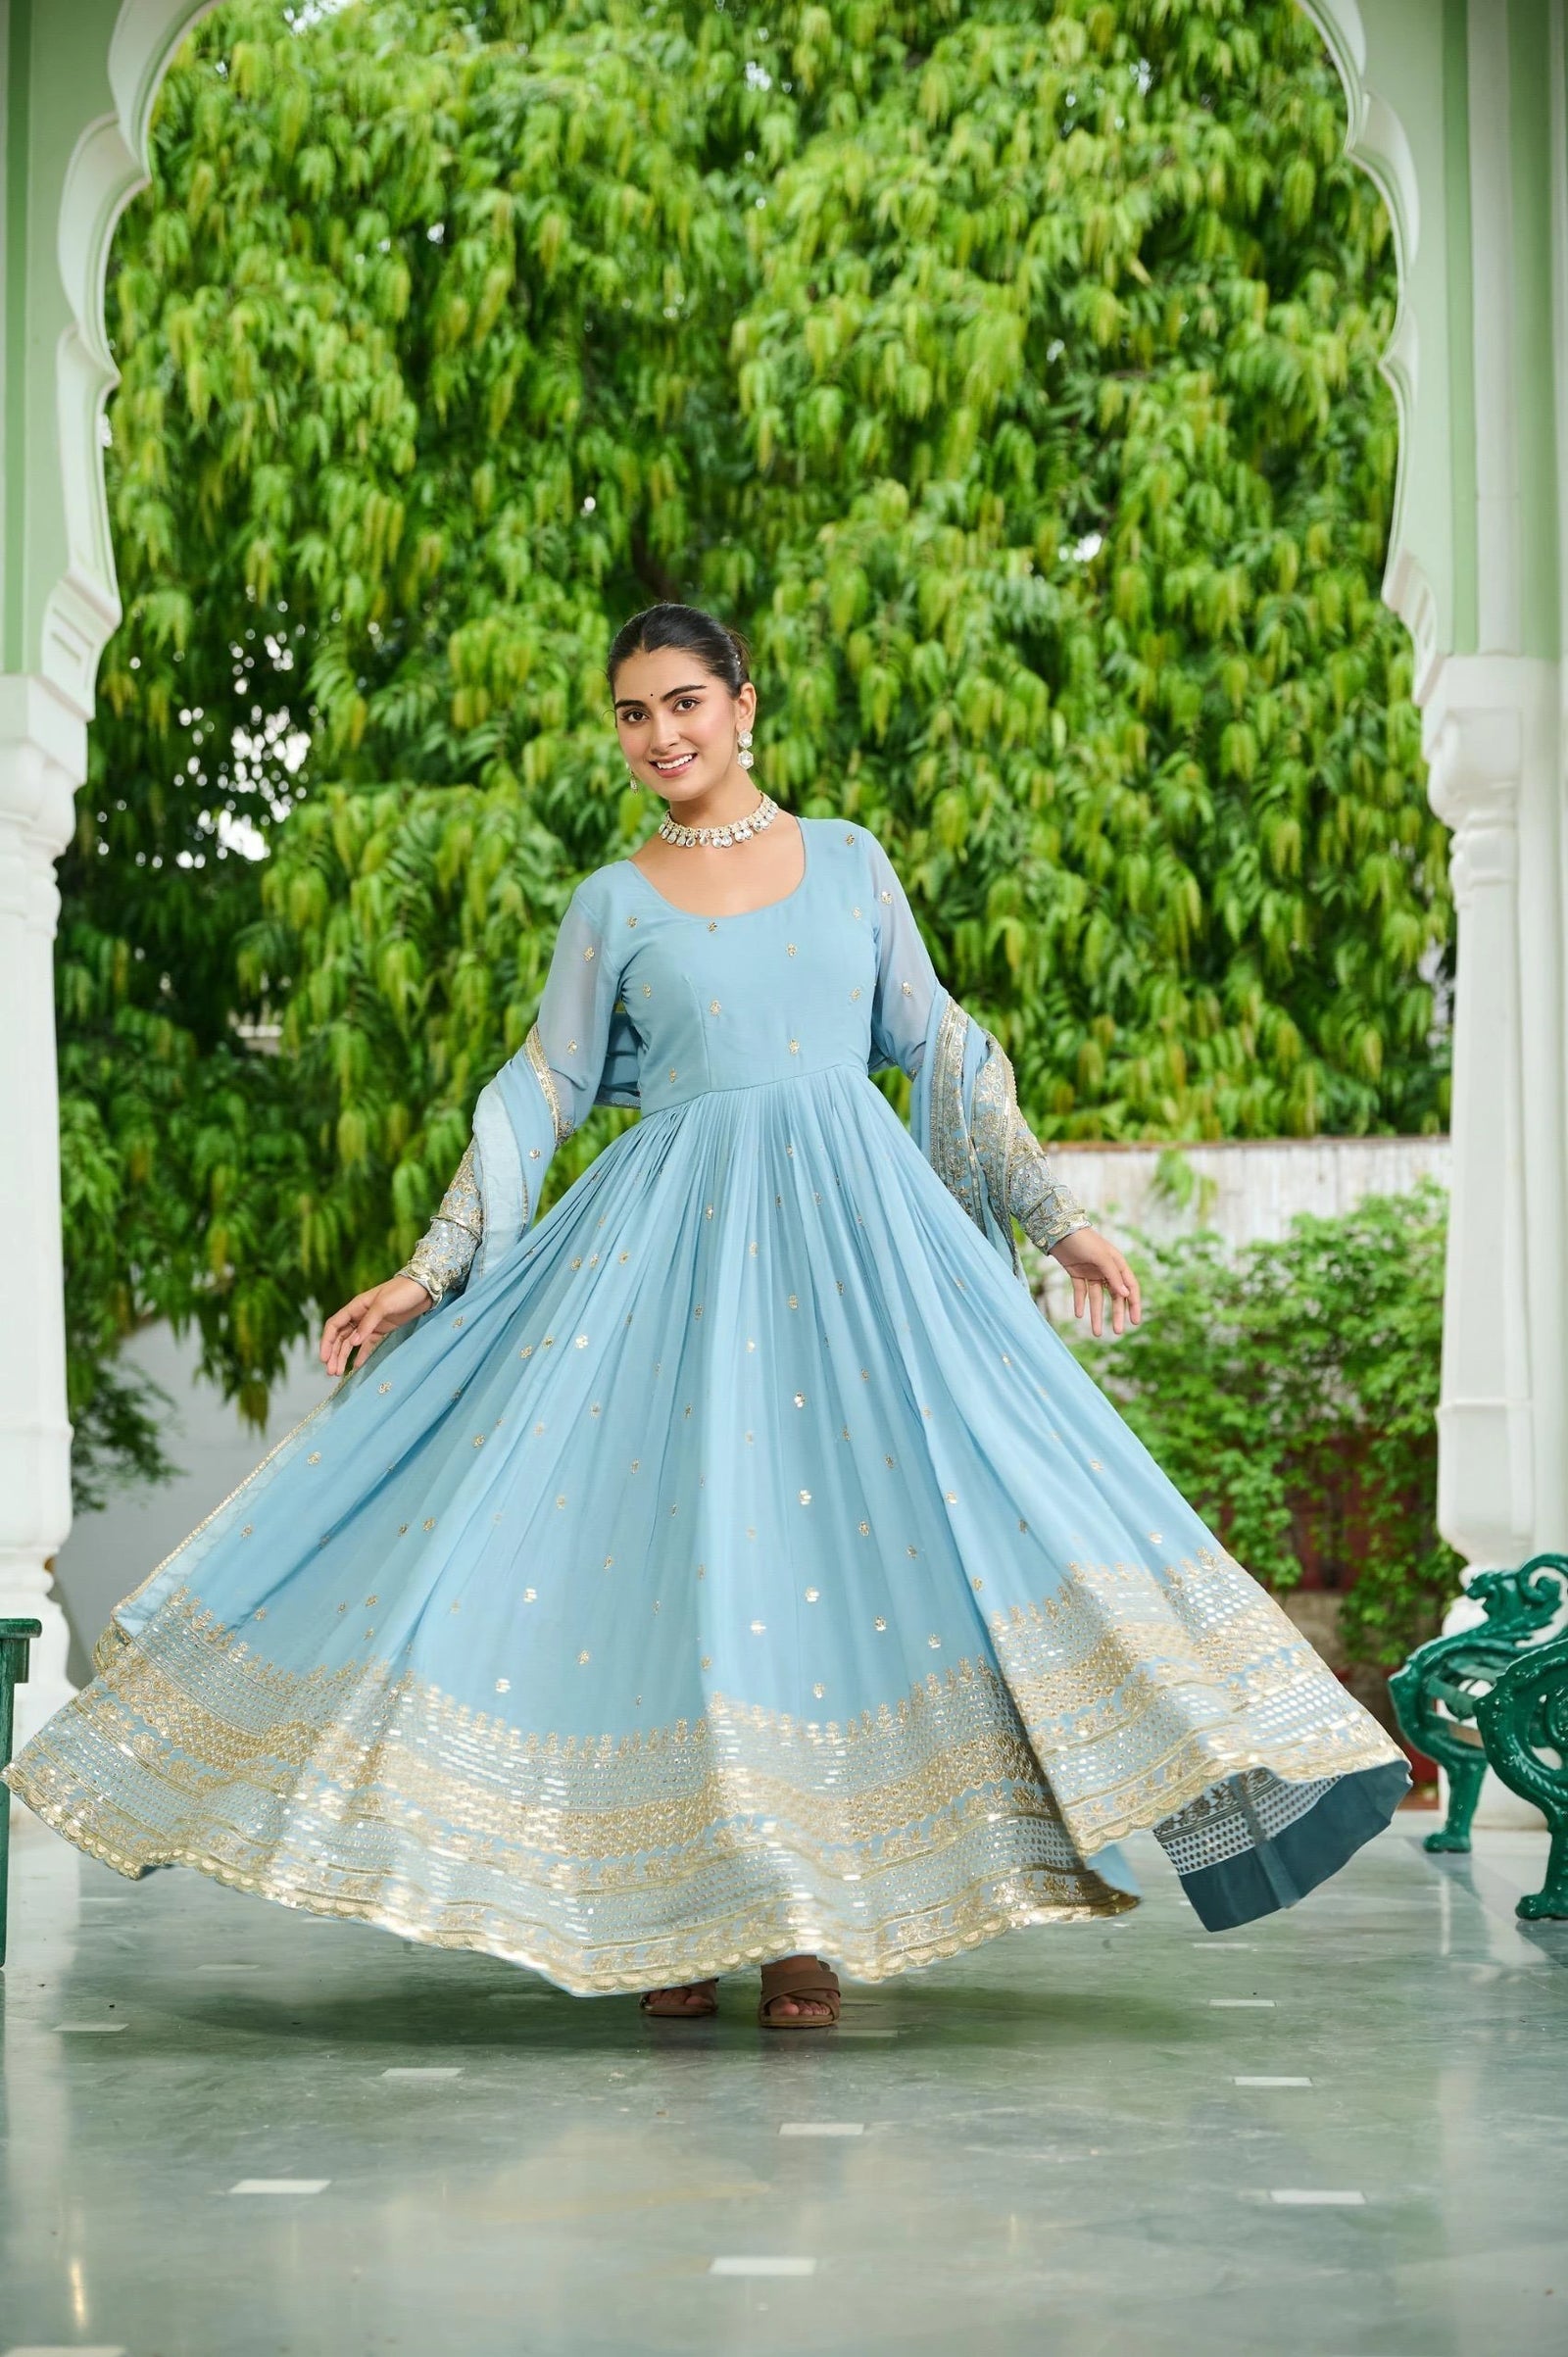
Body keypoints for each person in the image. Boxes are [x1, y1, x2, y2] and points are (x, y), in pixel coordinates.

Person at [4, 603, 1408, 2032]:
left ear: (745, 704)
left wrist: (1059, 1218)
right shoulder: (612, 902)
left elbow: (940, 1046)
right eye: (631, 714)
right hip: (669, 1264)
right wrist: (433, 1267)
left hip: (857, 1262)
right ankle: (669, 1915)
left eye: (683, 702)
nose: (659, 736)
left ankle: (804, 1924)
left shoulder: (852, 862)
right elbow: (539, 1088)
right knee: (672, 1567)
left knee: (831, 1559)